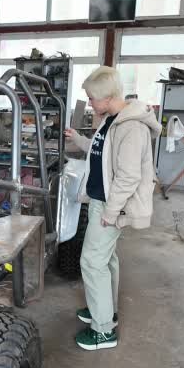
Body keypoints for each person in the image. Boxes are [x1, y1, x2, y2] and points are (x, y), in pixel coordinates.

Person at [64, 66, 162, 351]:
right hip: (101, 200)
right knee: (106, 260)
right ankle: (107, 311)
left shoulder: (131, 127)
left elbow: (129, 176)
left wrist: (111, 212)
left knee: (92, 263)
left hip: (109, 205)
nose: (90, 103)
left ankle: (103, 330)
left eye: (91, 99)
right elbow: (102, 153)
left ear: (106, 97)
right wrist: (79, 140)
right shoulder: (113, 119)